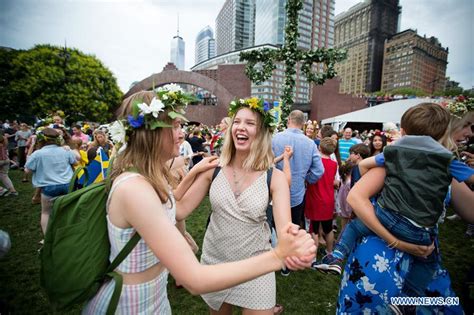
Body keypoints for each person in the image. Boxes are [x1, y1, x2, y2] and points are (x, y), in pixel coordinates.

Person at [83, 88, 315, 314]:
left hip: (250, 265)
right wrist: (278, 256)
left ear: (262, 133)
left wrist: (293, 242)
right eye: (175, 126)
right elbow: (192, 270)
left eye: (250, 123)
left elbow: (170, 210)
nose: (182, 133)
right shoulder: (140, 187)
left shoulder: (271, 177)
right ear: (152, 132)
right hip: (202, 268)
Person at [319, 103, 474, 299]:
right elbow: (356, 197)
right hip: (386, 257)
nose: (469, 132)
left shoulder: (404, 157)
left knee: (355, 227)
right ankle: (407, 299)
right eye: (467, 124)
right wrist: (397, 242)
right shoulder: (442, 163)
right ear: (446, 128)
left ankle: (337, 255)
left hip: (394, 232)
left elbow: (363, 167)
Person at [25, 128, 78, 235]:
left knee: (46, 213)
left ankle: (48, 238)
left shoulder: (38, 154)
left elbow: (27, 170)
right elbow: (75, 162)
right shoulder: (65, 150)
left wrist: (31, 150)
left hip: (49, 187)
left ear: (41, 140)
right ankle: (70, 233)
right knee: (68, 210)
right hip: (68, 185)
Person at [304, 137, 338, 267]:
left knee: (314, 229)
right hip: (328, 198)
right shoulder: (334, 164)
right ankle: (329, 252)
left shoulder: (315, 163)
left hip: (315, 198)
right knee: (328, 228)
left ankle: (313, 258)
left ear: (319, 148)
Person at [0, 129, 18, 197]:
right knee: (4, 176)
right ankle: (13, 191)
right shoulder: (4, 138)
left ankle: (1, 190)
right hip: (6, 159)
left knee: (3, 175)